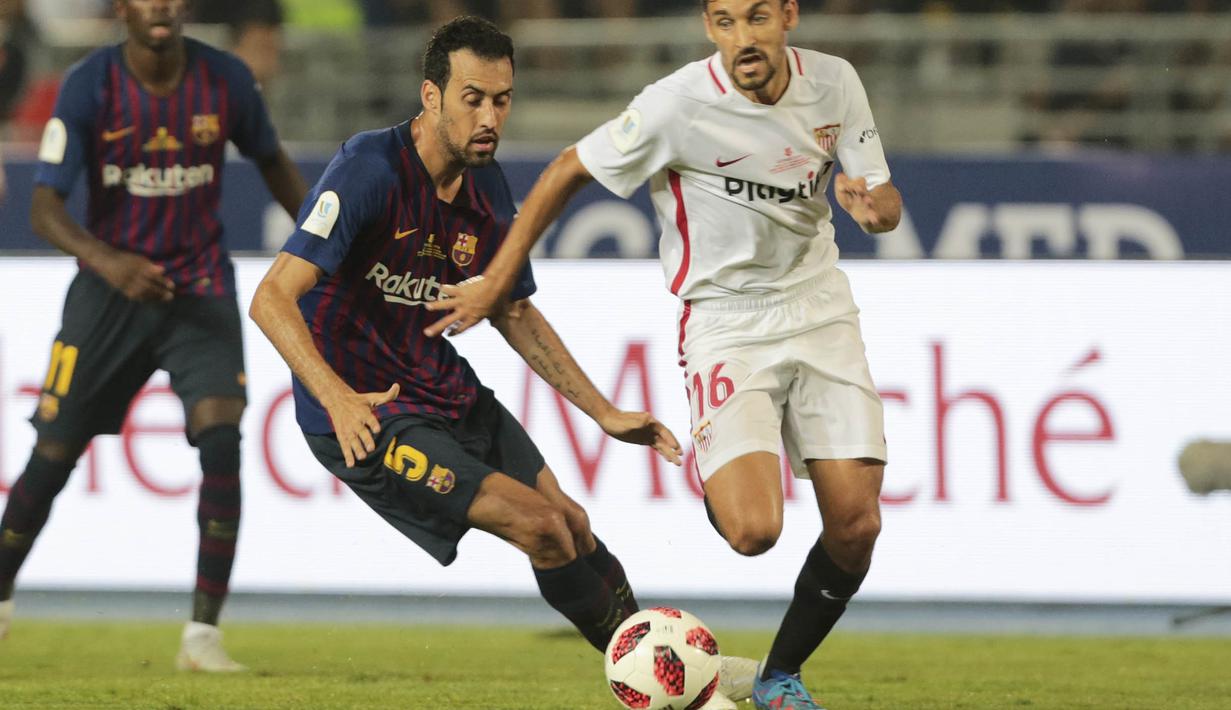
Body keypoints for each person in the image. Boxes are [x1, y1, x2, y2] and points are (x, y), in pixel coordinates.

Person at [248, 16, 756, 709]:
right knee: (542, 530)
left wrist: (603, 412)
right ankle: (682, 695)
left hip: (443, 386)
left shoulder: (487, 192)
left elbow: (513, 311)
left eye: (501, 99)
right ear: (430, 97)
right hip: (371, 411)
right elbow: (273, 296)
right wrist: (336, 398)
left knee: (571, 522)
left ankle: (673, 674)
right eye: (472, 98)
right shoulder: (369, 168)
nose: (489, 117)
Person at [425, 2, 902, 708]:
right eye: (725, 21)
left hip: (819, 309)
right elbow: (565, 169)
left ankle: (780, 676)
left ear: (788, 17)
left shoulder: (835, 83)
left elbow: (883, 199)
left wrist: (873, 210)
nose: (742, 37)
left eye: (757, 17)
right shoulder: (674, 106)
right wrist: (496, 280)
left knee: (857, 524)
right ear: (710, 28)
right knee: (751, 532)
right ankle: (722, 471)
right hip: (725, 321)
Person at [0, 0, 307, 671]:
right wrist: (108, 261)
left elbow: (274, 163)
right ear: (124, 8)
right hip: (110, 292)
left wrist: (323, 247)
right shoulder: (90, 85)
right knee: (52, 453)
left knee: (222, 437)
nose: (161, 6)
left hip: (199, 287)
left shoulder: (225, 80)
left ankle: (202, 636)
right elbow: (43, 207)